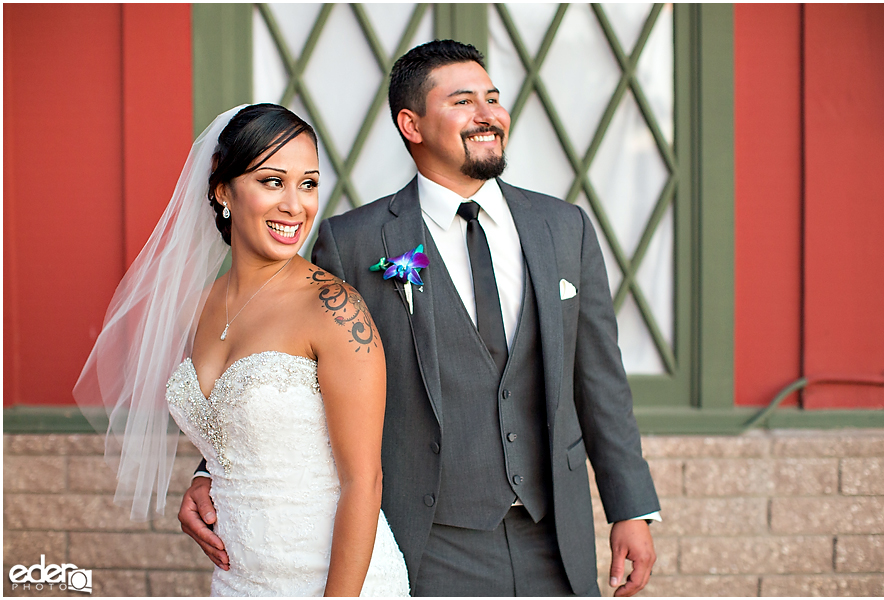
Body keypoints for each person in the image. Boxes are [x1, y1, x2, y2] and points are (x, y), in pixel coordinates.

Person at [181, 40, 661, 596]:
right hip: (425, 542)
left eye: (493, 98)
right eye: (463, 101)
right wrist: (209, 469)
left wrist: (632, 508)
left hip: (553, 539)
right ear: (411, 123)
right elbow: (292, 369)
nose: (488, 115)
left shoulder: (565, 227)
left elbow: (600, 379)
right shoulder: (353, 240)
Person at [74, 104, 410, 596]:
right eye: (273, 181)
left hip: (336, 581)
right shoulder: (198, 308)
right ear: (222, 189)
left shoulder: (335, 310)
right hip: (239, 581)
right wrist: (204, 476)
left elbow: (365, 483)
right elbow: (237, 436)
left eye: (309, 183)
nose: (296, 205)